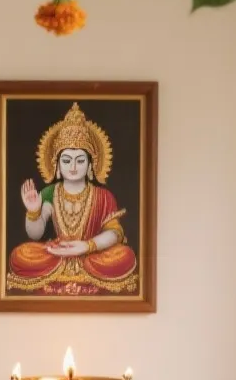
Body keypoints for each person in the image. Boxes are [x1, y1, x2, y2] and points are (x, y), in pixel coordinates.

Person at [7, 105, 138, 295]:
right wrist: (33, 211)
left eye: (80, 160)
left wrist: (86, 246)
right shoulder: (50, 192)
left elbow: (114, 233)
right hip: (58, 254)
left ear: (91, 164)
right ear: (57, 165)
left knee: (125, 256)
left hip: (90, 255)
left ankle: (80, 264)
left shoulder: (103, 196)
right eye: (67, 160)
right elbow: (35, 235)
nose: (74, 167)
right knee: (21, 254)